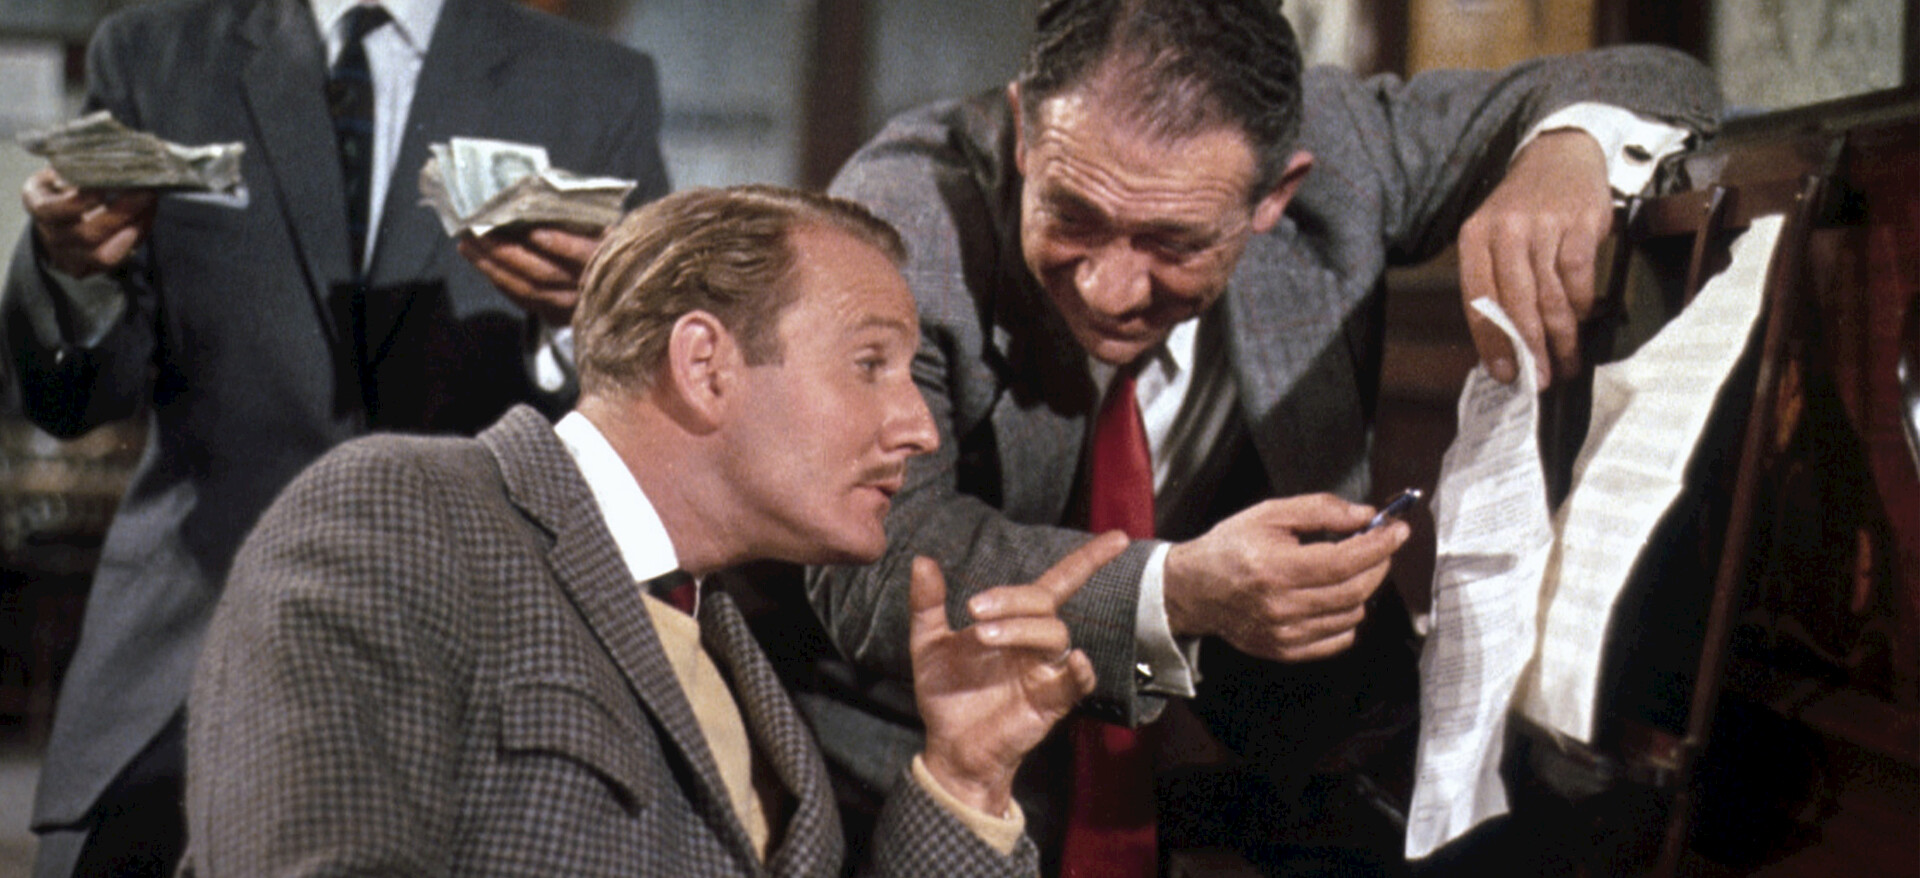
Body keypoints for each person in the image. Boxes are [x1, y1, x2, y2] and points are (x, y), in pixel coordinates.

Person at [804, 0, 1722, 871]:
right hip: (907, 792)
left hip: (1242, 777)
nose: (1107, 290)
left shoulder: (1347, 147)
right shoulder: (904, 224)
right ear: (1023, 129)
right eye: (1073, 216)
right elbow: (877, 566)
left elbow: (1660, 78)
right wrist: (1178, 592)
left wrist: (1566, 152)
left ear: (1278, 193)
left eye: (1174, 242)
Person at [184, 184, 1109, 876]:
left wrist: (964, 781)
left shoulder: (738, 655)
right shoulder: (405, 512)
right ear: (704, 364)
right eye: (871, 363)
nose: (920, 428)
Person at [0, 1, 668, 875]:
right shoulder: (157, 56)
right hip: (180, 673)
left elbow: (663, 415)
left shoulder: (595, 85)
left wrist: (582, 328)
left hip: (474, 681)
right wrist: (71, 271)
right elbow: (74, 400)